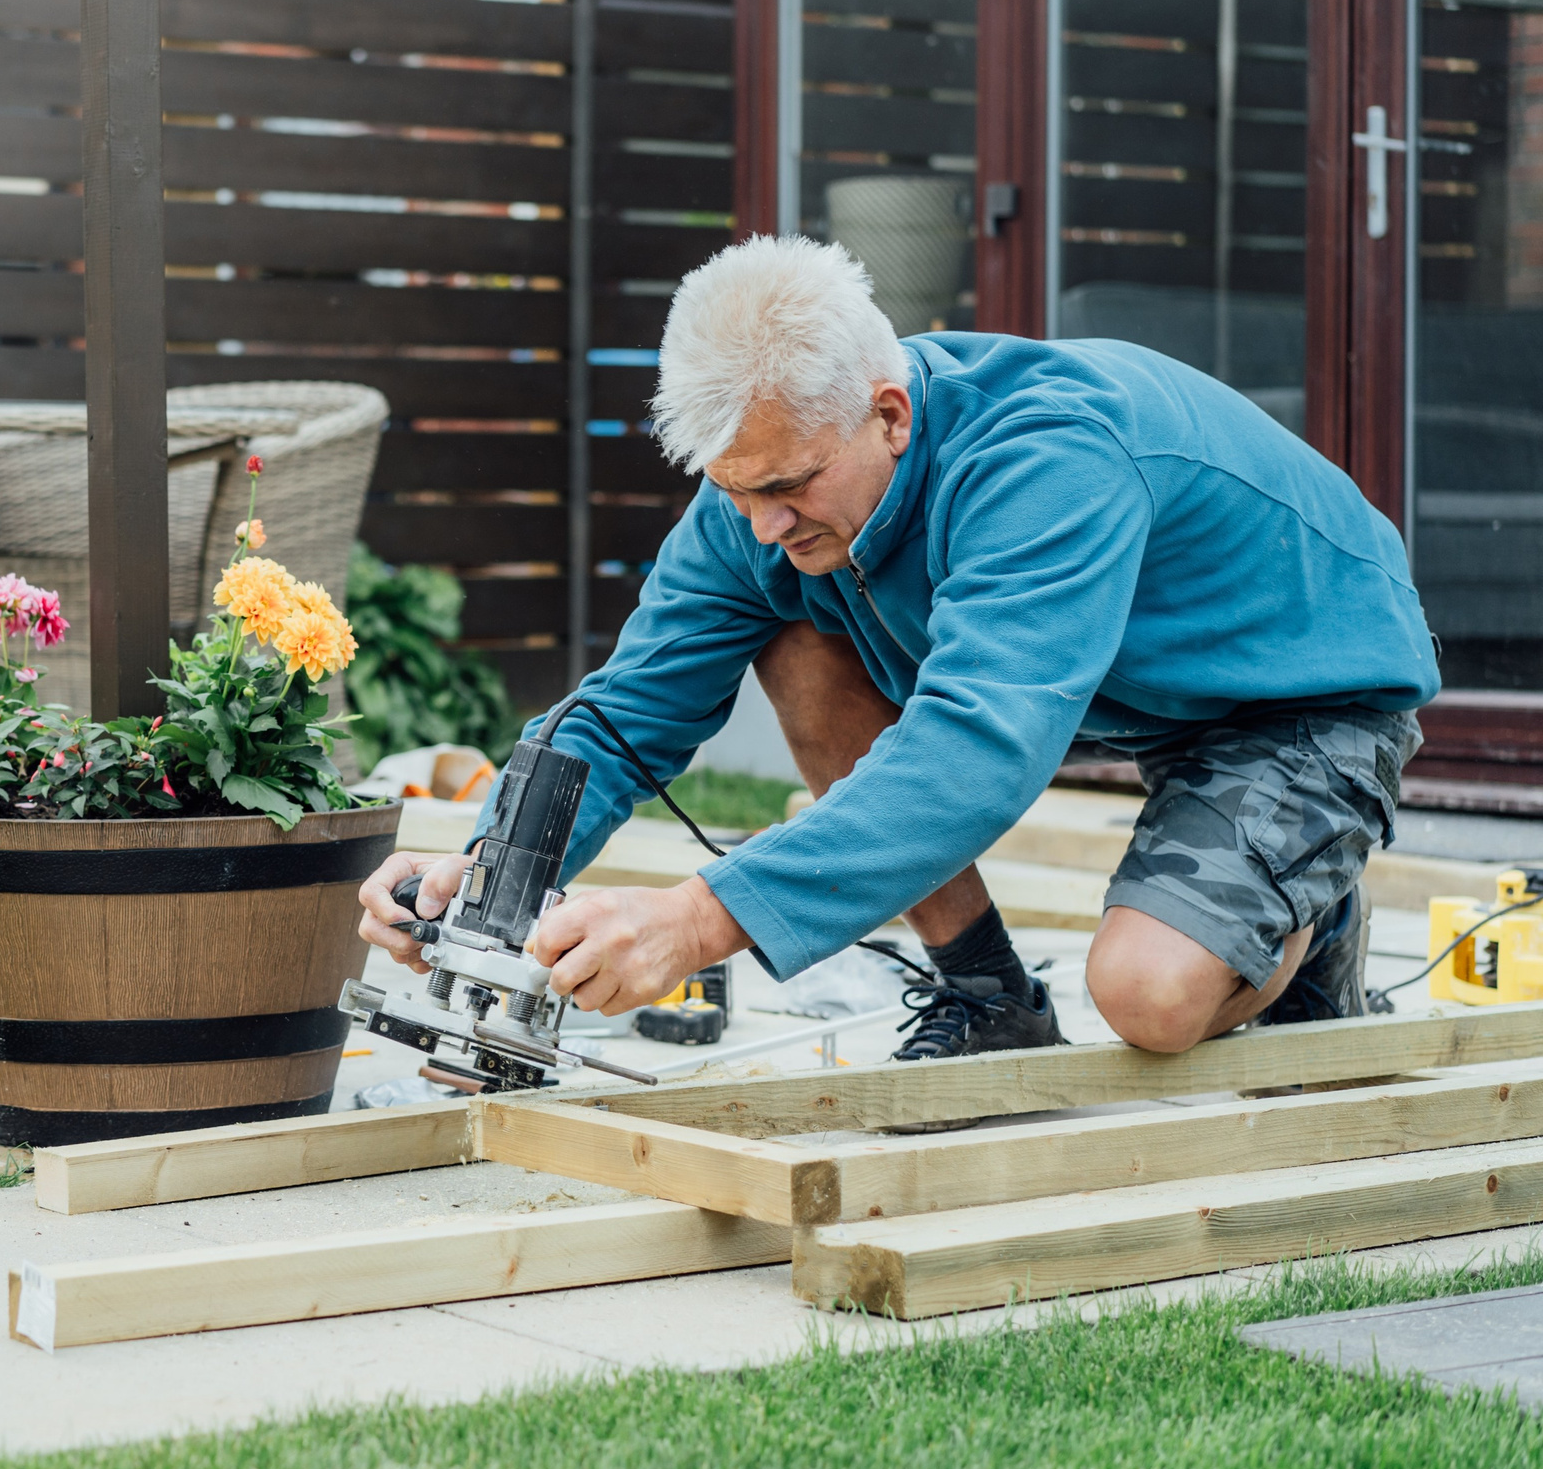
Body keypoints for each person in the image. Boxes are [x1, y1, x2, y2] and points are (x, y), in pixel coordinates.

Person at [360, 236, 1440, 1061]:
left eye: (786, 487)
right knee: (792, 628)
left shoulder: (1045, 460)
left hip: (1299, 697)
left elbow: (973, 752)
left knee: (1150, 999)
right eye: (734, 491)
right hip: (1133, 687)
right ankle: (986, 999)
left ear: (890, 414)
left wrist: (696, 921)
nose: (762, 524)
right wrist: (490, 870)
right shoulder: (762, 492)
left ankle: (1314, 906)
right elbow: (624, 706)